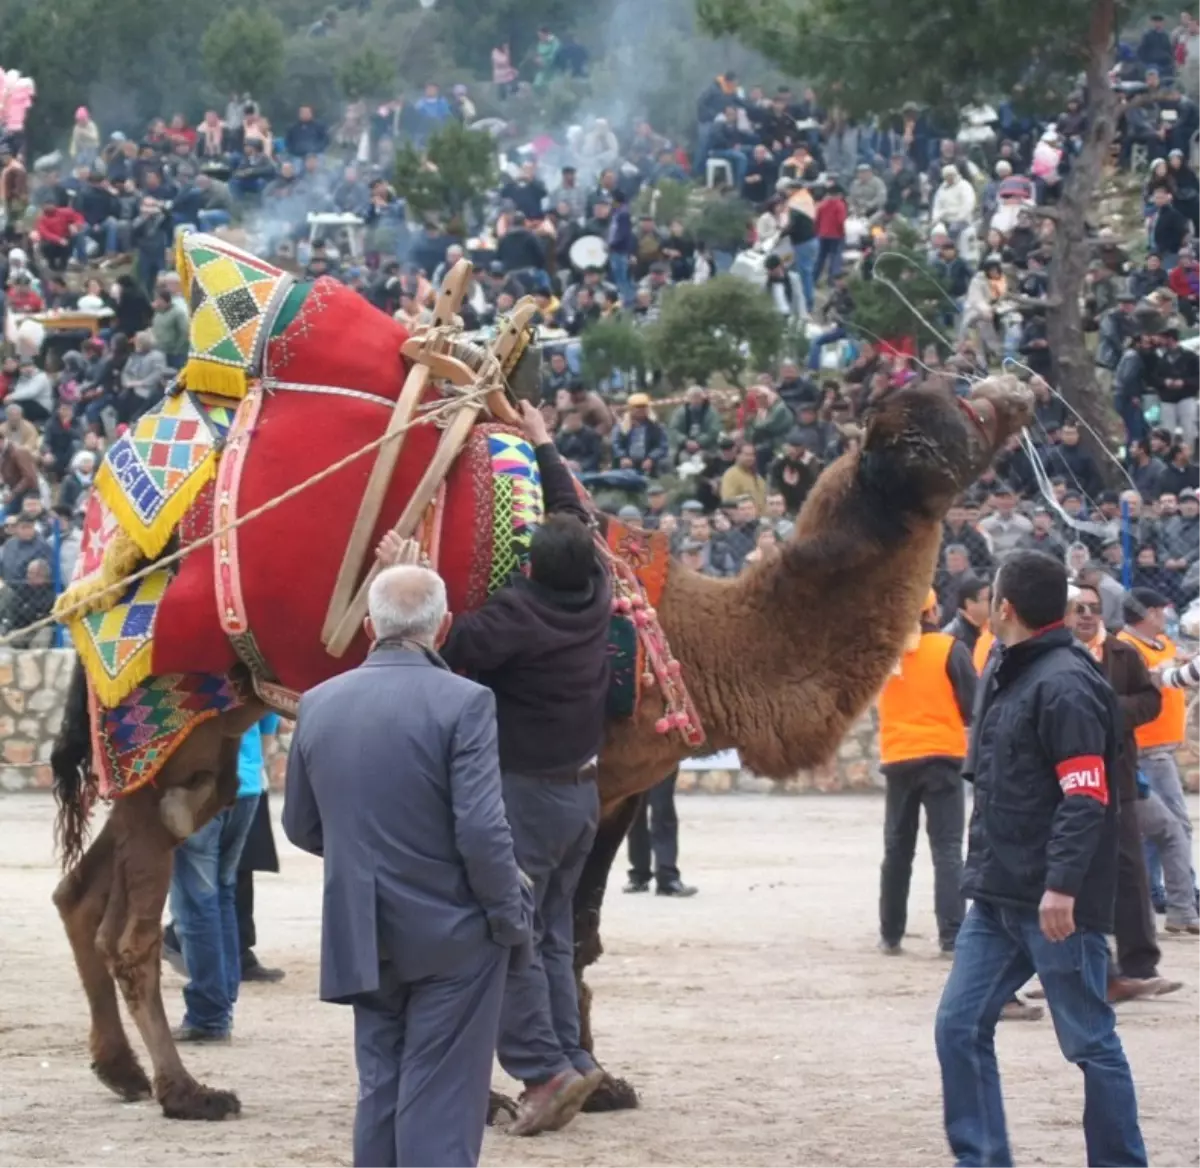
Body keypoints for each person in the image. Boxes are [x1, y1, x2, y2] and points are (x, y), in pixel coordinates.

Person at [379, 399, 610, 1136]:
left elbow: (436, 630)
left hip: (528, 802)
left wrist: (400, 570)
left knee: (510, 934)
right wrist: (544, 447)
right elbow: (582, 519)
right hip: (580, 797)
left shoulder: (518, 618)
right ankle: (572, 1058)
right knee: (552, 934)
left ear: (530, 567)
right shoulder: (597, 592)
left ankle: (543, 1072)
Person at [283, 562, 530, 1168]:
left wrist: (366, 861)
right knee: (442, 1097)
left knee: (382, 1087)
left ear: (369, 626)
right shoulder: (467, 701)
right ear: (443, 627)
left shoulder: (317, 703)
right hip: (453, 930)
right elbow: (480, 827)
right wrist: (507, 915)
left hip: (362, 928)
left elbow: (301, 825)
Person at [935, 551, 1148, 1168]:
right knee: (958, 1026)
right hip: (997, 898)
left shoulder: (1064, 683)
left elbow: (1085, 796)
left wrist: (1061, 886)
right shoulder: (1010, 667)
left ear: (1003, 607)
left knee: (1089, 1042)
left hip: (1056, 905)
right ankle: (982, 1159)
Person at [1068, 586, 1194, 988]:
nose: (1087, 615)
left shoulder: (1123, 655)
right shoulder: (1054, 656)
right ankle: (1069, 968)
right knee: (1068, 871)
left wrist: (1109, 712)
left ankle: (1139, 966)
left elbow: (1149, 700)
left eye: (1093, 608)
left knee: (1130, 867)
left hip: (1119, 775)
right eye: (1079, 608)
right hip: (1065, 781)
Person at [877, 591, 975, 957]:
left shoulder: (885, 654)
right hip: (942, 757)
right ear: (932, 611)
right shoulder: (950, 649)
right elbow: (971, 703)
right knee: (947, 850)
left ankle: (890, 934)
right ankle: (951, 937)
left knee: (897, 849)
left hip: (899, 757)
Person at [170, 715, 276, 1042]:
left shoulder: (191, 672)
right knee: (223, 895)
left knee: (195, 903)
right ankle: (222, 1000)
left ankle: (209, 1014)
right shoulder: (254, 668)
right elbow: (267, 741)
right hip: (247, 788)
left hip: (200, 789)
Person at [1116, 587, 1199, 917]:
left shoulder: (1160, 643)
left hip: (1163, 747)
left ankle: (1154, 891)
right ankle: (1181, 899)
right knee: (1174, 826)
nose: (1165, 616)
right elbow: (1158, 679)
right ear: (1148, 613)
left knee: (1157, 829)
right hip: (1146, 749)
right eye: (1160, 610)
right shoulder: (1126, 648)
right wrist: (1181, 672)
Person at [625, 771, 698, 897]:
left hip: (663, 757)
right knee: (635, 809)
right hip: (633, 758)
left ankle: (667, 877)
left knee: (663, 808)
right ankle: (639, 874)